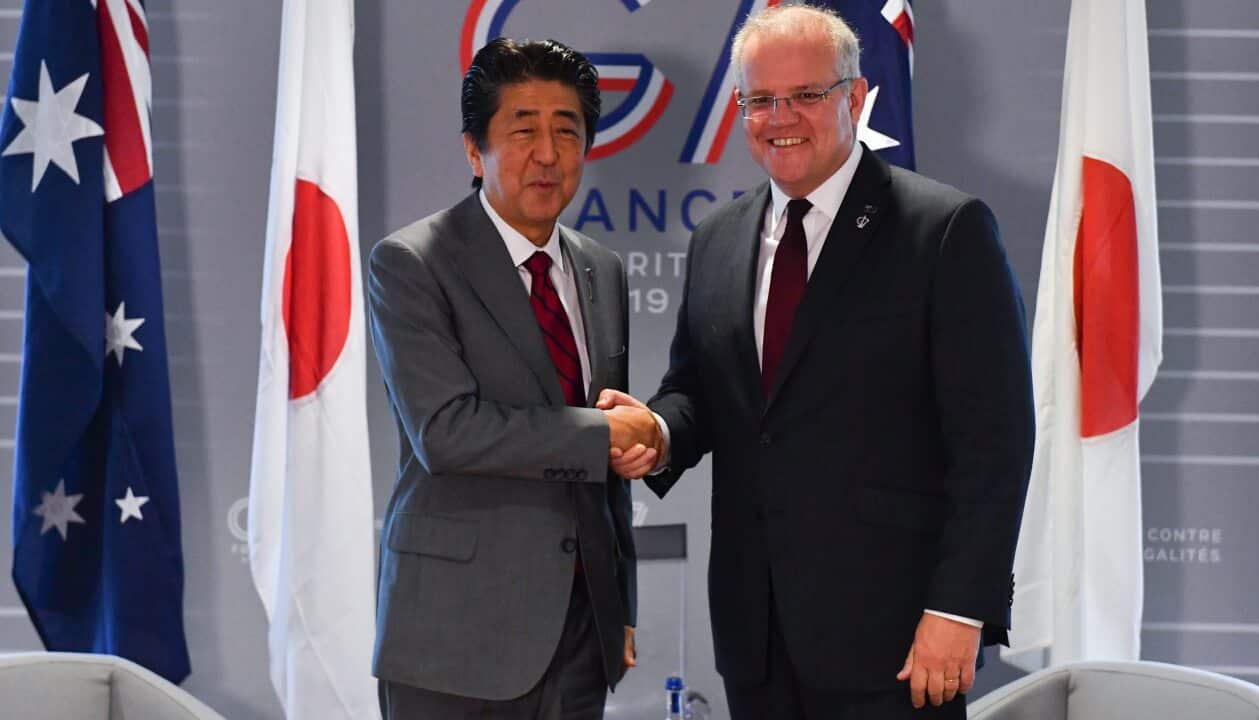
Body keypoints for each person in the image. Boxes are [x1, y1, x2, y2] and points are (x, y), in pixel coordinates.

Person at [598, 5, 1034, 718]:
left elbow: (997, 444)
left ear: (855, 99)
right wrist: (662, 431)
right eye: (760, 100)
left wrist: (959, 611)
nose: (782, 117)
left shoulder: (945, 231)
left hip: (898, 640)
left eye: (806, 95)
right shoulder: (718, 237)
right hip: (754, 634)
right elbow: (701, 387)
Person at [367, 37, 662, 720]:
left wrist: (619, 603)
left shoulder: (602, 269)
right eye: (523, 130)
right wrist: (604, 434)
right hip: (454, 640)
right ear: (475, 150)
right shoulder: (414, 262)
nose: (549, 153)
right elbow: (445, 432)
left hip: (583, 635)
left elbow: (604, 469)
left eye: (568, 131)